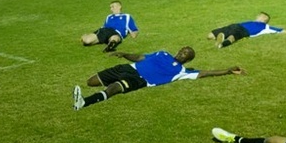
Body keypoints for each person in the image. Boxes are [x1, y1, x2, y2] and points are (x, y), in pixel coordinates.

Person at [73, 46, 245, 110]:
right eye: (182, 50)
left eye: (186, 54)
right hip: (127, 68)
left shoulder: (183, 71)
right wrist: (125, 54)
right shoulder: (162, 53)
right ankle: (85, 99)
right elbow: (141, 57)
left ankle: (84, 102)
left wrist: (228, 70)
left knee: (114, 89)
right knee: (91, 81)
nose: (182, 53)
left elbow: (206, 73)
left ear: (188, 59)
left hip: (139, 80)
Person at [207, 12, 286, 48]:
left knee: (233, 36)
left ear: (264, 19)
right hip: (234, 25)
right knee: (209, 36)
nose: (257, 16)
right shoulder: (250, 21)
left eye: (260, 16)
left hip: (243, 31)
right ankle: (219, 38)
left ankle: (221, 44)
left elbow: (283, 31)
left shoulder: (266, 27)